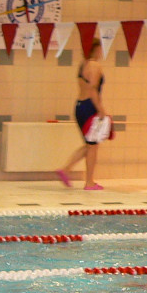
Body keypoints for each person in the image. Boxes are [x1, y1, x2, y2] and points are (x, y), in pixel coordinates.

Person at [57, 39, 109, 191]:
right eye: (100, 49)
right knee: (92, 146)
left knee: (90, 144)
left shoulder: (83, 65)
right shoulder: (94, 65)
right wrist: (101, 109)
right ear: (96, 49)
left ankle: (66, 169)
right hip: (89, 107)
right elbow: (93, 89)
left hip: (80, 106)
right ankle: (89, 182)